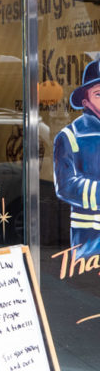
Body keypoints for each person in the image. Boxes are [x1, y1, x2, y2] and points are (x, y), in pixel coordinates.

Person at [54, 59, 100, 259]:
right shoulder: (69, 135)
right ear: (85, 101)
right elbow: (65, 186)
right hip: (89, 236)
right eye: (99, 94)